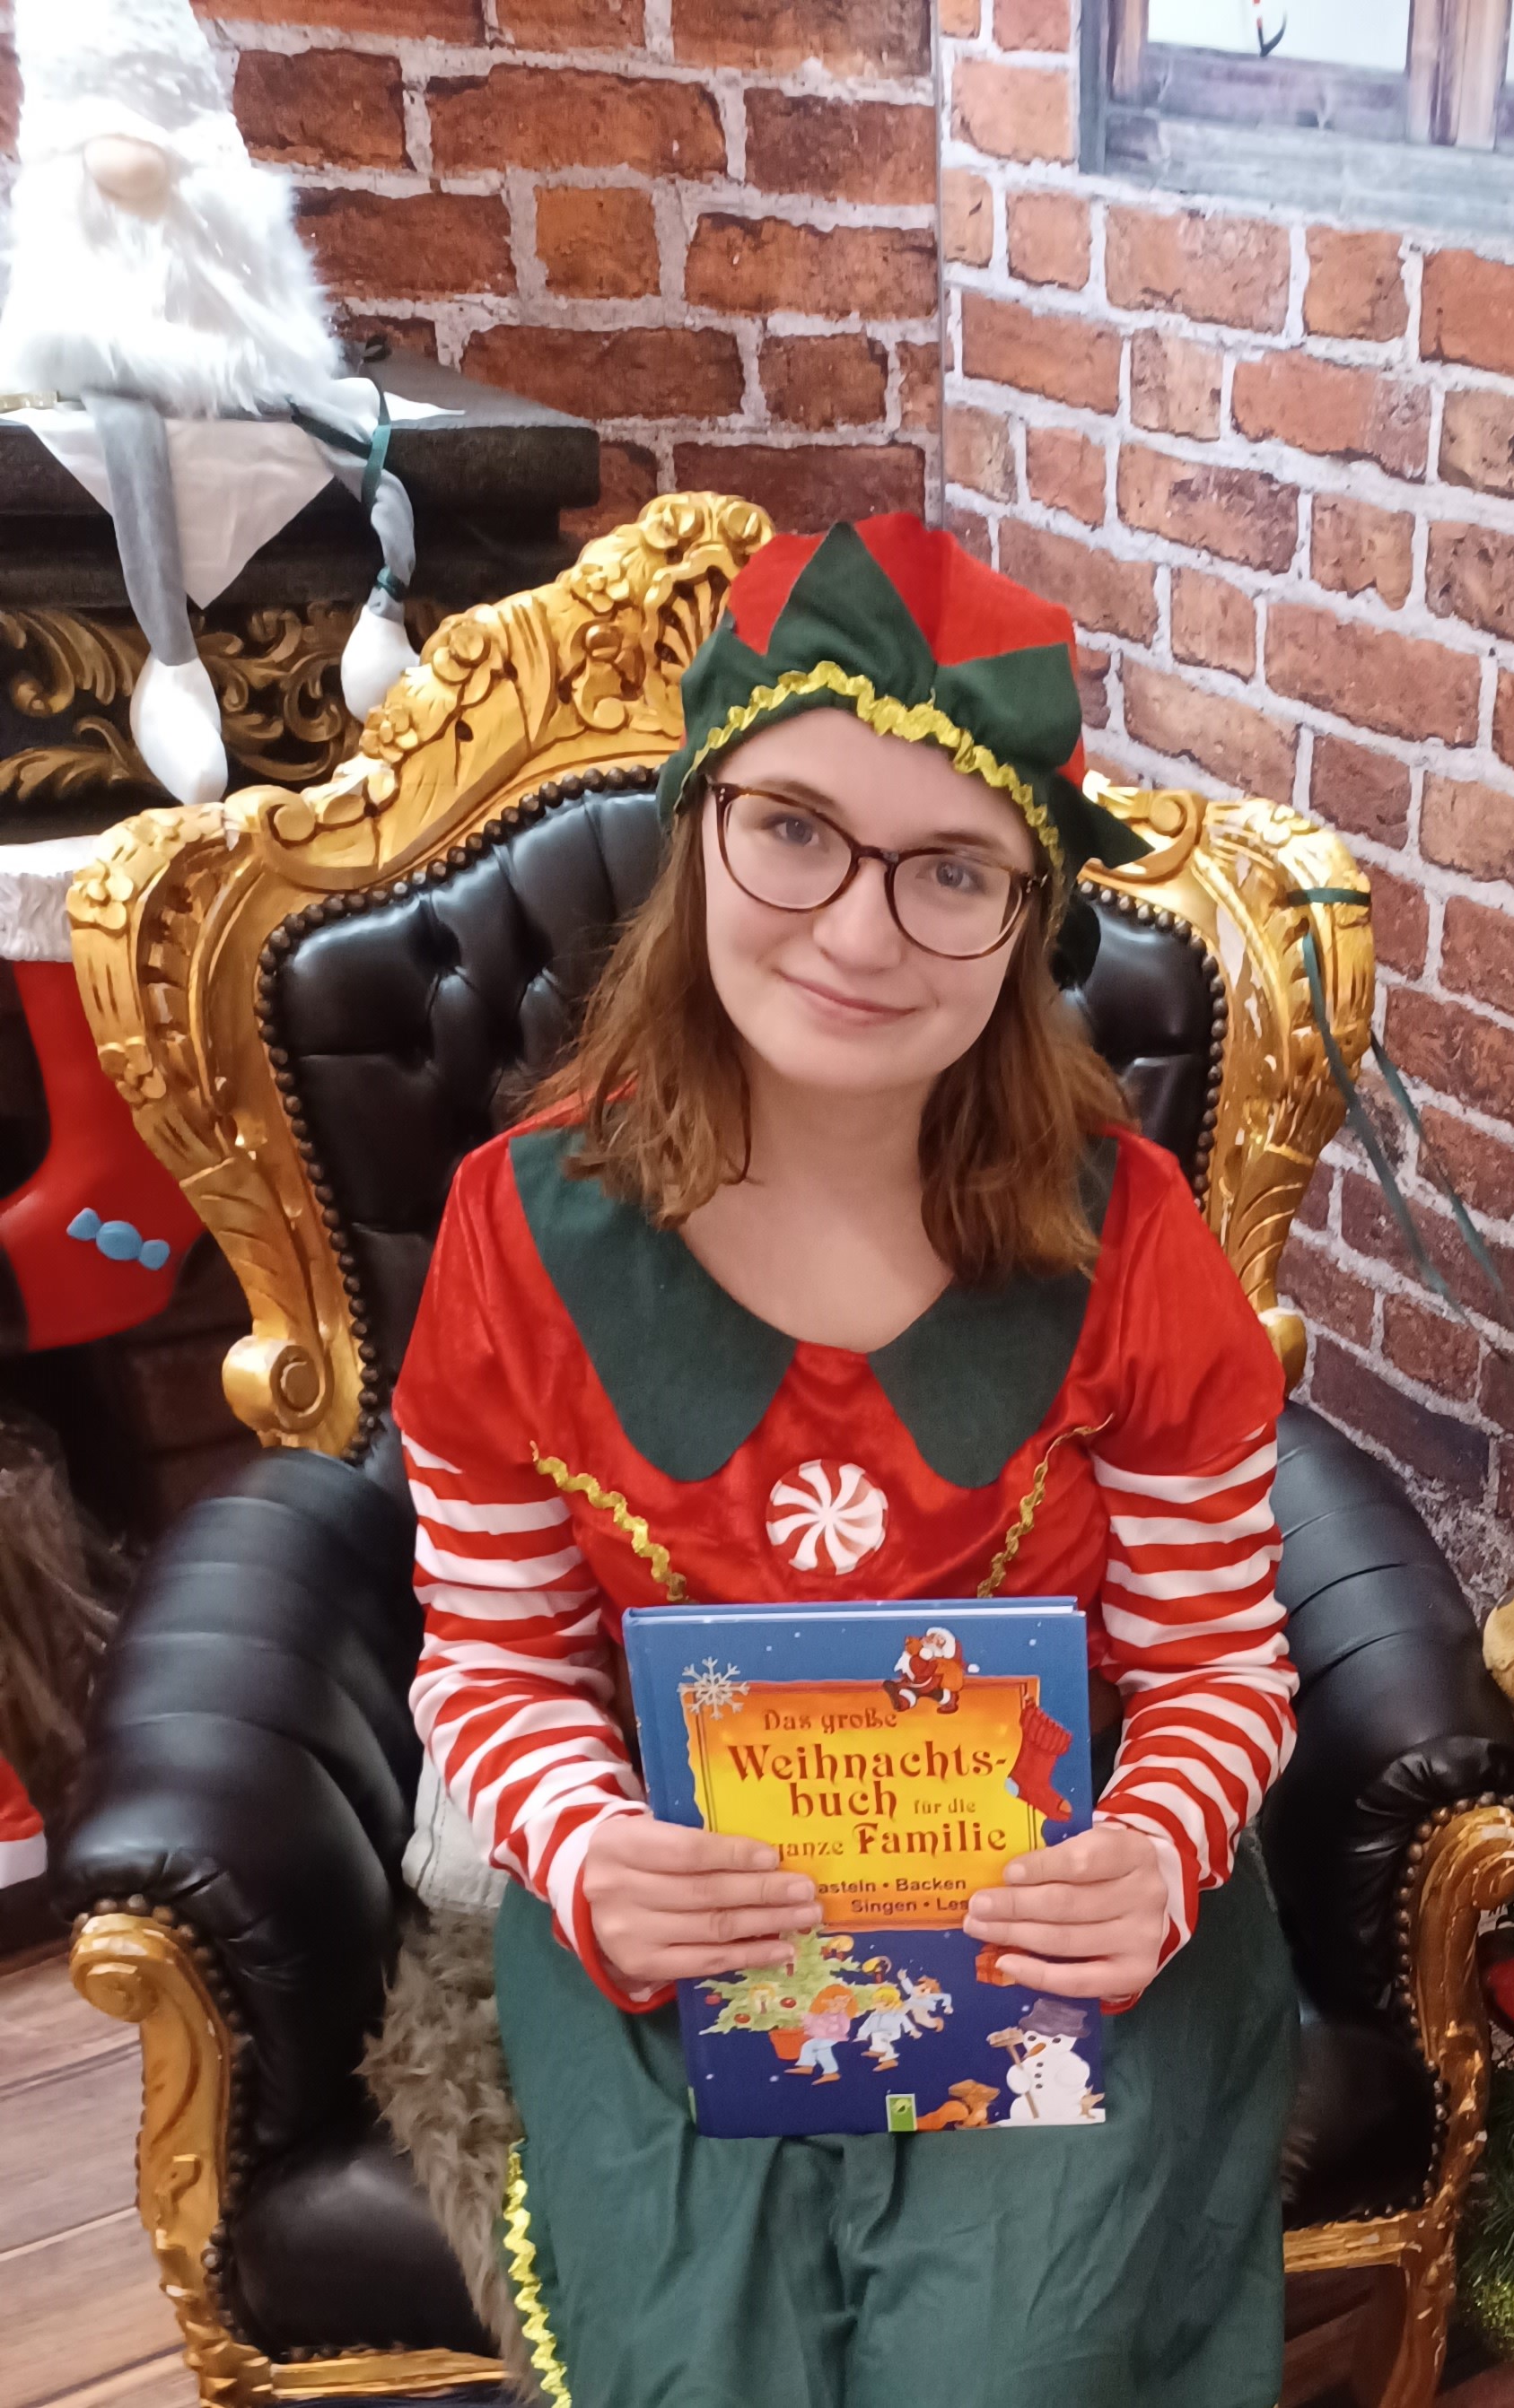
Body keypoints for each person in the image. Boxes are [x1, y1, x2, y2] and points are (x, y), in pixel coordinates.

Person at [390, 512, 1299, 2408]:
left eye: (951, 871)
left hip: (1051, 1905)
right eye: (796, 829)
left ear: (1029, 917)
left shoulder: (1132, 1243)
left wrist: (1150, 1851)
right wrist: (592, 1850)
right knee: (703, 2361)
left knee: (1009, 2362)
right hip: (684, 1894)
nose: (864, 930)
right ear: (700, 824)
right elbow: (493, 1657)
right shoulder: (514, 1231)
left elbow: (1217, 1662)